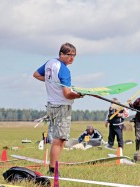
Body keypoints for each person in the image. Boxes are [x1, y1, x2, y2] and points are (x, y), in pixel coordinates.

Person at [33, 42, 83, 175]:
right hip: (61, 106)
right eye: (68, 55)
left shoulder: (50, 63)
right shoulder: (65, 70)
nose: (71, 58)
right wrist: (80, 95)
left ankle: (52, 168)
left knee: (56, 138)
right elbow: (67, 94)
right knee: (59, 140)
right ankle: (53, 171)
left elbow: (36, 75)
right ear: (61, 54)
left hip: (51, 105)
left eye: (74, 55)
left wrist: (51, 81)